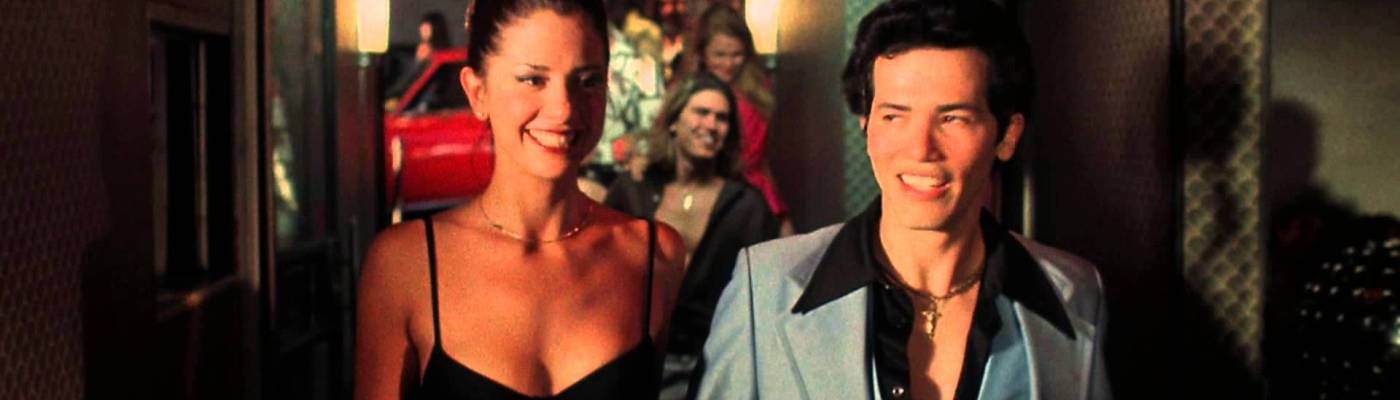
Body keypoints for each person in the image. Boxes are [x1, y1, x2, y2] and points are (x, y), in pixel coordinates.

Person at [695, 0, 1111, 399]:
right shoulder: (764, 287)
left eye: (952, 118)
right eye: (894, 115)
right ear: (866, 126)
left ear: (1007, 136)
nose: (921, 148)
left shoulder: (1074, 294)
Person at [354, 1, 687, 399]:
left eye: (587, 81)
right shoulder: (405, 264)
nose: (564, 109)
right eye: (533, 80)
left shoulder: (654, 255)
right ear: (477, 92)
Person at [604, 72, 779, 399]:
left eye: (722, 118)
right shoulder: (634, 189)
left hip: (713, 363)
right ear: (673, 121)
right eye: (701, 112)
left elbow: (766, 297)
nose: (711, 125)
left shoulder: (746, 206)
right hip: (631, 362)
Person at [681, 4, 791, 234]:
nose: (729, 64)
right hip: (711, 193)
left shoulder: (758, 90)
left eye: (736, 54)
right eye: (720, 55)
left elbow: (762, 160)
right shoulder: (689, 94)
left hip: (757, 191)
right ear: (702, 54)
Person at [386, 11, 453, 100]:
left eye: (426, 27)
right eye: (422, 26)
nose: (421, 29)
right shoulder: (439, 50)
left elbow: (413, 77)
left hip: (427, 98)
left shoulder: (437, 53)